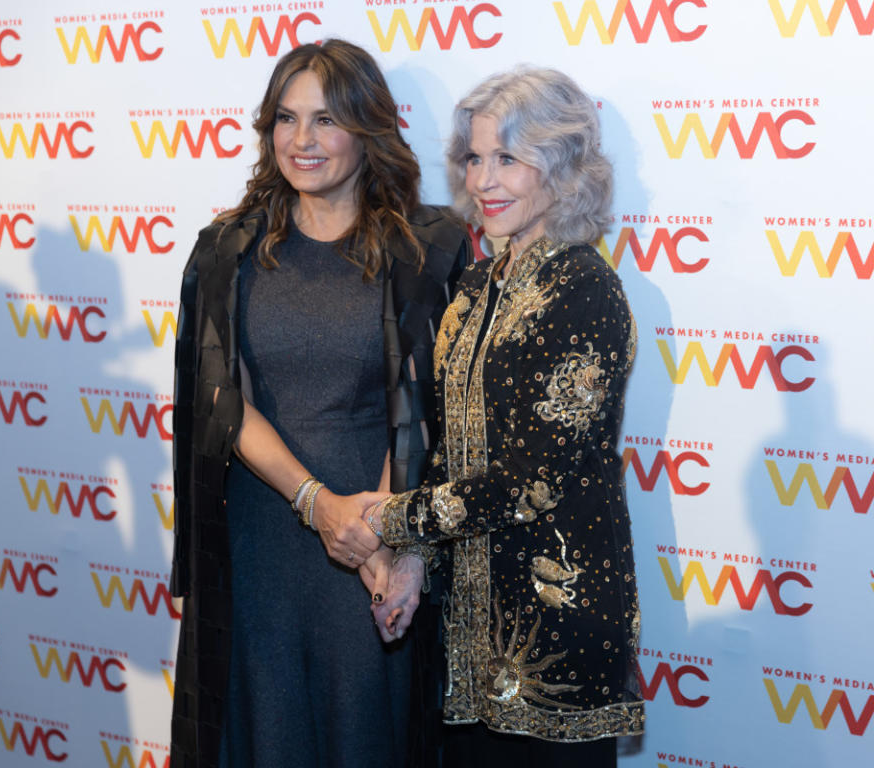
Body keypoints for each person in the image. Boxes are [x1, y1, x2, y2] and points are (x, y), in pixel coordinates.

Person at [168, 39, 469, 767]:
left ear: (368, 130)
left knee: (368, 733)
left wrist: (391, 535)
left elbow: (446, 403)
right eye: (286, 118)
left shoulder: (431, 246)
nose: (302, 141)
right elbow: (221, 397)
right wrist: (316, 503)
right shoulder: (225, 250)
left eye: (327, 120)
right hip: (262, 539)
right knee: (262, 733)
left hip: (382, 545)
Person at [365, 68, 644, 766]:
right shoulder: (477, 285)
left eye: (508, 159)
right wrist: (413, 562)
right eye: (475, 157)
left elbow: (529, 479)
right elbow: (451, 452)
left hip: (554, 637)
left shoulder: (584, 287)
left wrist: (387, 519)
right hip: (466, 636)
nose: (485, 178)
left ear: (562, 170)